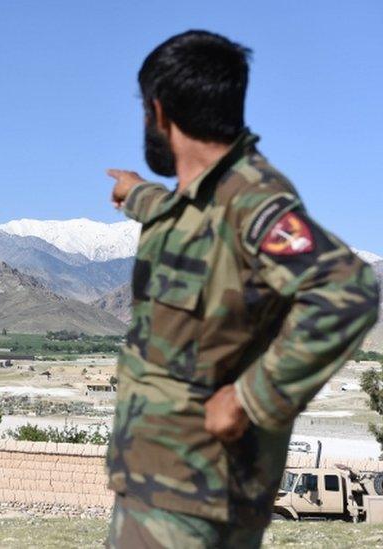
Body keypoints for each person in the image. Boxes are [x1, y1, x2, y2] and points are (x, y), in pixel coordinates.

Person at [105, 30, 380, 548]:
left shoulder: (250, 197)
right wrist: (136, 193)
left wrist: (248, 400)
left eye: (145, 111)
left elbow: (349, 289)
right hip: (163, 485)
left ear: (159, 113)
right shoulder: (208, 197)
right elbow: (190, 221)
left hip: (194, 494)